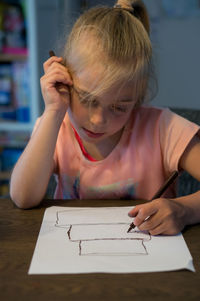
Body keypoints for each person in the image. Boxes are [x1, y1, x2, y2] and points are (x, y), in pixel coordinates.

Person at [10, 0, 200, 235]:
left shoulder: (163, 129)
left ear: (138, 98)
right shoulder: (56, 126)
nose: (98, 120)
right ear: (65, 81)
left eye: (119, 107)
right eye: (88, 99)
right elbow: (22, 197)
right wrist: (52, 112)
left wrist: (185, 210)